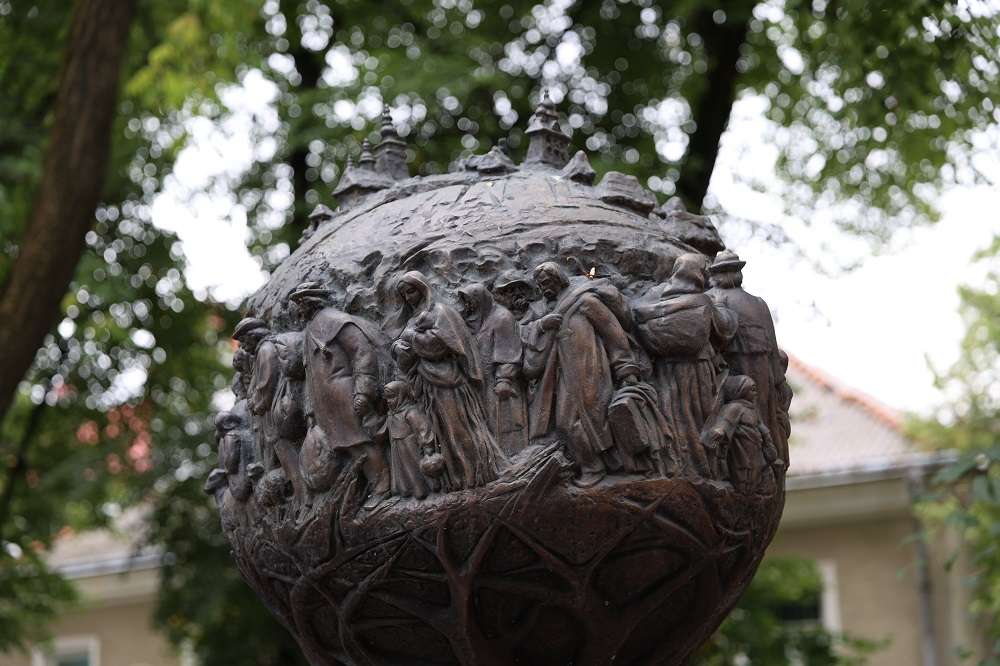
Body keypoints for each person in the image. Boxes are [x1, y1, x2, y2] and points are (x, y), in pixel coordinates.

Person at [522, 262, 641, 486]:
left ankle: (607, 466)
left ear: (559, 279)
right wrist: (542, 325)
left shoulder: (585, 301)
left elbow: (613, 333)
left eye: (546, 283)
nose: (544, 288)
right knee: (566, 423)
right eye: (540, 285)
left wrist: (626, 369)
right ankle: (594, 466)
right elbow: (525, 330)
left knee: (595, 417)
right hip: (565, 375)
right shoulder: (551, 308)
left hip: (591, 370)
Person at [391, 271, 505, 491]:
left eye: (411, 291)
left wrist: (412, 338)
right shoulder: (413, 319)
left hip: (449, 383)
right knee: (442, 433)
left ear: (422, 288)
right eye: (404, 294)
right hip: (427, 386)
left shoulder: (441, 312)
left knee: (459, 429)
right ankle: (457, 480)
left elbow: (440, 344)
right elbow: (404, 349)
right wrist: (397, 347)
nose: (408, 297)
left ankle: (480, 475)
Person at [290, 282, 390, 504]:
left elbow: (362, 352)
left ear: (311, 302)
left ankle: (382, 485)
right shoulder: (310, 331)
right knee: (347, 446)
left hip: (344, 394)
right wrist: (310, 411)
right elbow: (310, 374)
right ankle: (369, 486)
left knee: (361, 441)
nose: (299, 308)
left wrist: (363, 391)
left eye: (301, 302)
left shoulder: (335, 321)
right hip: (326, 401)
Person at [634, 253, 727, 477]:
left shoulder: (654, 295)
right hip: (698, 368)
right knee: (699, 415)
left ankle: (676, 464)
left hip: (665, 369)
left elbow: (634, 314)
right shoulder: (703, 300)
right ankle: (701, 467)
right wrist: (721, 307)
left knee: (671, 412)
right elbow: (724, 329)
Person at [707, 250, 790, 467]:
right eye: (724, 270)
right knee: (740, 409)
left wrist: (778, 379)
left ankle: (765, 458)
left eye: (732, 270)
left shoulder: (756, 302)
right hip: (734, 362)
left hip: (755, 364)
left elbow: (771, 343)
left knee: (760, 407)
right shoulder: (714, 298)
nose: (728, 274)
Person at [457, 283, 528, 456]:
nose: (468, 306)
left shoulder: (502, 318)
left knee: (505, 421)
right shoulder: (476, 319)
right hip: (481, 383)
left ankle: (513, 457)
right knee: (487, 422)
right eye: (466, 302)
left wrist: (504, 379)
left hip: (500, 383)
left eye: (470, 301)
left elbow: (510, 353)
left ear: (480, 299)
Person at [704, 375, 780, 495]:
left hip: (755, 445)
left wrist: (767, 437)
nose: (755, 393)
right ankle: (742, 490)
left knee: (756, 467)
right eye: (752, 389)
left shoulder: (752, 409)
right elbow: (725, 421)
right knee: (743, 468)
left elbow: (760, 425)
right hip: (741, 446)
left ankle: (752, 491)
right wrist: (720, 430)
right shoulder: (734, 407)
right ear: (740, 390)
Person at [384, 379, 437, 499]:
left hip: (410, 446)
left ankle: (422, 490)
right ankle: (406, 490)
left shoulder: (411, 412)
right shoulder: (392, 414)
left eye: (391, 397)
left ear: (401, 395)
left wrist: (427, 445)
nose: (388, 401)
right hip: (397, 446)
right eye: (387, 398)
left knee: (414, 469)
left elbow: (423, 428)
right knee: (402, 471)